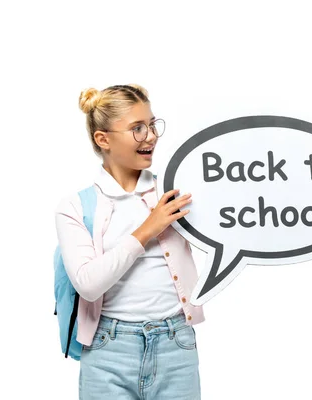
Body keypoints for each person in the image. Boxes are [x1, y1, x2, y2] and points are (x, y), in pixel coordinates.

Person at [55, 84, 204, 399]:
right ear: (103, 139)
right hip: (108, 350)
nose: (150, 136)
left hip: (176, 344)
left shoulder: (174, 191)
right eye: (137, 128)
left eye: (151, 125)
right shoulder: (76, 207)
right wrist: (149, 227)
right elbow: (88, 284)